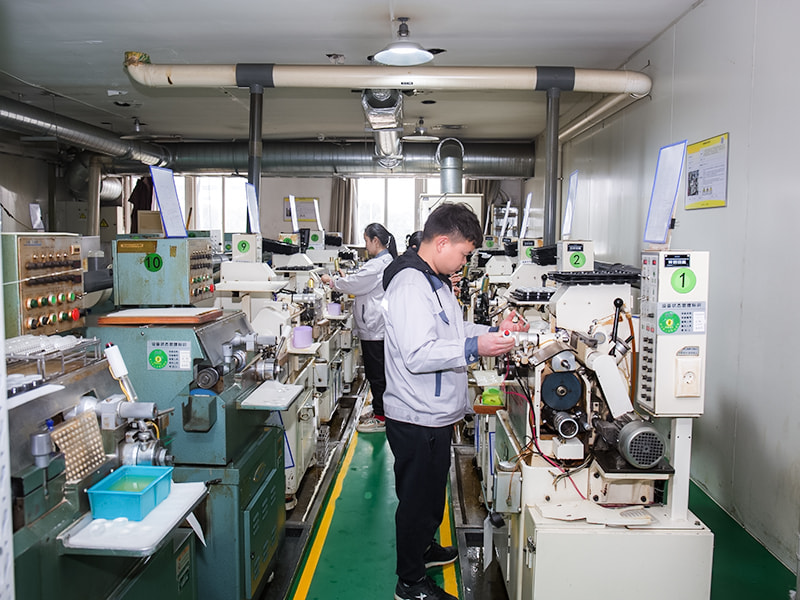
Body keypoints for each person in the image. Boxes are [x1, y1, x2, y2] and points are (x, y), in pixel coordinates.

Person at [381, 203, 528, 600]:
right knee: (417, 501)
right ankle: (410, 583)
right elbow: (417, 354)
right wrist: (475, 347)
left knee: (430, 496)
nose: (464, 262)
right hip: (416, 415)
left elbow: (453, 330)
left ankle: (424, 548)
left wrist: (492, 331)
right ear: (443, 242)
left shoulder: (435, 280)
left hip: (434, 413)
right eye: (464, 254)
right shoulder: (410, 285)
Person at [321, 223, 397, 433]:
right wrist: (346, 280)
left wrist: (332, 281)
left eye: (366, 240)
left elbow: (357, 284)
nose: (365, 245)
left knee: (377, 374)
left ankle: (381, 417)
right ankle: (379, 409)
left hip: (374, 327)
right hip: (374, 326)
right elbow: (359, 282)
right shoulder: (382, 262)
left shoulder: (377, 265)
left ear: (375, 241)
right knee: (376, 373)